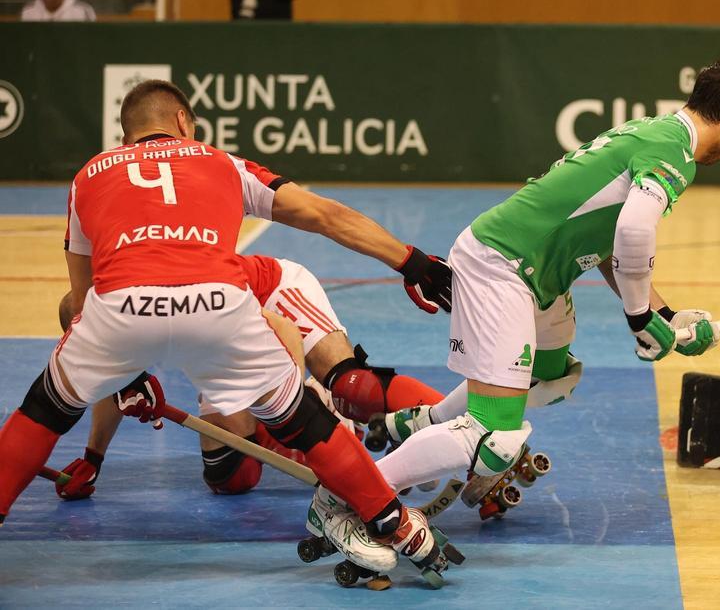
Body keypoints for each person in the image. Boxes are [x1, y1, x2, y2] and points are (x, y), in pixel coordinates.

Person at [0, 79, 456, 580]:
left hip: (121, 310)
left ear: (125, 134)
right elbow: (324, 215)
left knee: (43, 411)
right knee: (304, 421)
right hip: (219, 305)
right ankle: (396, 523)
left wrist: (124, 379)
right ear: (182, 122)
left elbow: (81, 303)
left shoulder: (87, 176)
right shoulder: (221, 162)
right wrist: (412, 262)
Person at [363, 58, 720, 528]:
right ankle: (361, 491)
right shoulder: (674, 153)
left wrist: (664, 314)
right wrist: (641, 320)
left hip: (534, 273)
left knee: (550, 378)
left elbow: (604, 241)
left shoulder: (652, 131)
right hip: (503, 266)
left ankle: (424, 423)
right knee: (496, 434)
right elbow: (635, 232)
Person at [52, 254, 446, 499]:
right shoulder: (109, 316)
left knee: (350, 387)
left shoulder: (159, 298)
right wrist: (93, 459)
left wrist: (299, 402)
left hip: (271, 294)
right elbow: (113, 381)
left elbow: (283, 331)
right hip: (219, 340)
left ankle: (465, 424)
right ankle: (296, 431)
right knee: (229, 477)